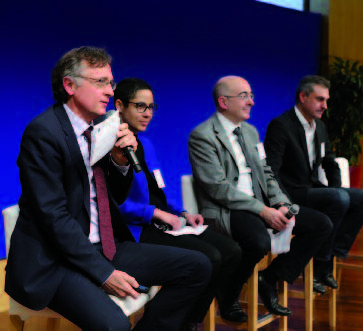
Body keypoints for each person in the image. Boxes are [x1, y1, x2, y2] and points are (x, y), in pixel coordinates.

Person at [4, 46, 212, 331]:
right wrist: (105, 273)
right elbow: (53, 217)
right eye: (99, 81)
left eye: (110, 82)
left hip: (106, 245)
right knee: (115, 326)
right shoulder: (44, 133)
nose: (109, 91)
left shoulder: (103, 125)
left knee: (198, 266)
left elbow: (112, 196)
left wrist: (121, 160)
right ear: (69, 85)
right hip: (57, 259)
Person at [188, 75, 333, 316]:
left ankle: (270, 278)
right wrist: (264, 211)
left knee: (321, 224)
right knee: (258, 242)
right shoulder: (202, 135)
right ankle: (229, 294)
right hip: (227, 209)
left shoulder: (251, 132)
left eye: (251, 96)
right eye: (244, 96)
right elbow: (218, 188)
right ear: (223, 102)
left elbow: (266, 173)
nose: (252, 102)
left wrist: (282, 203)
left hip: (260, 205)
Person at [111, 77, 243, 331]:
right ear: (119, 106)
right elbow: (114, 203)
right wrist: (157, 214)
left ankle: (188, 320)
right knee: (210, 257)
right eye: (140, 106)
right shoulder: (110, 147)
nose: (148, 113)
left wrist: (180, 212)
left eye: (151, 107)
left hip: (162, 221)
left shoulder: (145, 143)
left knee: (231, 252)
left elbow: (158, 190)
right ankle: (172, 322)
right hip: (136, 230)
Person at [264, 75, 363, 291]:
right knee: (338, 198)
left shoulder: (319, 127)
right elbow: (271, 170)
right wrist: (280, 201)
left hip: (310, 188)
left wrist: (339, 190)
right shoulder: (281, 126)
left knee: (358, 198)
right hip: (291, 193)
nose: (325, 106)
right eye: (320, 99)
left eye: (326, 100)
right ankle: (321, 264)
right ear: (303, 96)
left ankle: (330, 258)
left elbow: (330, 162)